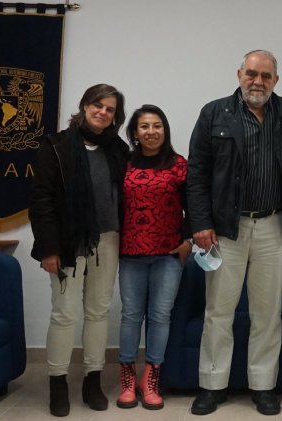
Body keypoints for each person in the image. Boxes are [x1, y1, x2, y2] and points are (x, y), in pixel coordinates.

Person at [186, 49, 282, 416]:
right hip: (225, 229)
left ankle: (263, 385)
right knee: (218, 311)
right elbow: (196, 173)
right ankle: (213, 385)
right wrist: (200, 223)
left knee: (268, 312)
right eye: (252, 73)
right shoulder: (214, 113)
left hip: (274, 226)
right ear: (239, 74)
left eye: (266, 76)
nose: (258, 82)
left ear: (276, 80)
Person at [29, 83, 129, 417]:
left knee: (98, 312)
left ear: (116, 116)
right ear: (85, 106)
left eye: (110, 109)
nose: (103, 112)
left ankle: (92, 380)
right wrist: (48, 249)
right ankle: (58, 384)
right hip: (67, 242)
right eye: (98, 105)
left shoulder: (118, 149)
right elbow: (41, 200)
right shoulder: (55, 146)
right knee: (64, 313)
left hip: (108, 239)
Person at [115, 104, 192, 410]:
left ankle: (151, 380)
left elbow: (194, 205)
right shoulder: (123, 164)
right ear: (135, 133)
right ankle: (127, 379)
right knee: (131, 315)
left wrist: (188, 241)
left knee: (160, 316)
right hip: (130, 252)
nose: (151, 132)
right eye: (144, 126)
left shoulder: (178, 165)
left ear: (165, 130)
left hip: (168, 254)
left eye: (157, 126)